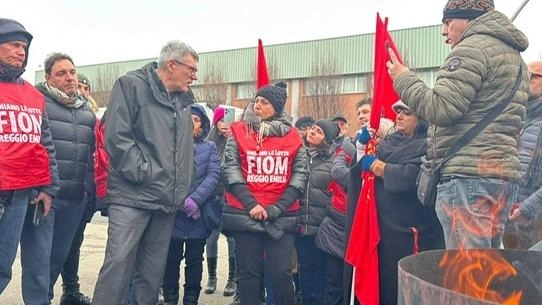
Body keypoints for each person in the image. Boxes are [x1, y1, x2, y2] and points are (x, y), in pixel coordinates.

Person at [386, 0, 530, 249]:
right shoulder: (514, 58)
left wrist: (404, 79)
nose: (444, 31)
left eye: (448, 22)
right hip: (499, 176)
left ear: (469, 19)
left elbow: (441, 108)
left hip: (469, 178)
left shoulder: (471, 49)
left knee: (466, 274)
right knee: (486, 271)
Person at [91, 40, 198, 305]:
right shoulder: (130, 86)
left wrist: (184, 181)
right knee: (118, 267)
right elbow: (117, 138)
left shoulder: (183, 102)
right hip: (132, 196)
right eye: (191, 69)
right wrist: (145, 173)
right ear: (171, 64)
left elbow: (184, 149)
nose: (194, 76)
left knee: (150, 276)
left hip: (166, 201)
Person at [18, 52, 96, 305]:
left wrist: (87, 192)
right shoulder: (37, 104)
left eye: (72, 72)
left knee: (58, 257)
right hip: (45, 197)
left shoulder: (85, 111)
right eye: (61, 73)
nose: (69, 78)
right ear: (49, 77)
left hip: (75, 200)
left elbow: (91, 155)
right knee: (39, 260)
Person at [222, 81, 309, 305]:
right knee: (248, 275)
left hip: (282, 215)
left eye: (264, 102)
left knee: (281, 274)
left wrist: (277, 208)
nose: (257, 105)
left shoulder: (293, 136)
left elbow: (300, 175)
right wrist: (251, 204)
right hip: (245, 212)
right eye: (256, 100)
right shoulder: (239, 132)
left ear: (277, 108)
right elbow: (230, 167)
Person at [359, 101, 445, 305]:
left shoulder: (430, 144)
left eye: (407, 113)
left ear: (421, 118)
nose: (399, 116)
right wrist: (362, 147)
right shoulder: (389, 142)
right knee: (386, 284)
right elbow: (360, 172)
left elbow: (412, 176)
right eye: (397, 111)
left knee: (408, 287)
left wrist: (380, 167)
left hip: (412, 231)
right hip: (384, 229)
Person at [0, 17, 59, 296]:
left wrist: (48, 187)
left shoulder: (34, 96)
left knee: (2, 268)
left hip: (20, 197)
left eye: (23, 47)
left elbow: (44, 145)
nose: (20, 51)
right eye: (13, 45)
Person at [162, 103, 220, 305]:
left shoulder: (210, 147)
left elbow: (213, 176)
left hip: (199, 215)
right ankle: (170, 298)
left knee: (195, 260)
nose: (191, 123)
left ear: (202, 126)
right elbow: (165, 175)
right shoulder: (170, 145)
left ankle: (191, 299)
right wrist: (181, 202)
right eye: (188, 119)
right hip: (174, 215)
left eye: (196, 120)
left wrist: (195, 200)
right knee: (171, 259)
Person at [51, 72, 98, 305]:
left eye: (83, 85)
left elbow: (92, 157)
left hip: (81, 193)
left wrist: (90, 191)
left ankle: (71, 290)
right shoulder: (49, 108)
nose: (80, 88)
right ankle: (43, 296)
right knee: (50, 250)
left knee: (73, 244)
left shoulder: (89, 116)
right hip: (53, 194)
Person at [296, 119, 338, 305]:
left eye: (319, 131)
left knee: (320, 269)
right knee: (304, 267)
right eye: (313, 129)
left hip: (322, 225)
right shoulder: (299, 157)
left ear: (326, 139)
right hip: (301, 224)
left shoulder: (333, 162)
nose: (312, 132)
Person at [506, 60, 542, 248]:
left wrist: (528, 208)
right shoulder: (518, 118)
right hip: (512, 216)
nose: (525, 81)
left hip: (535, 220)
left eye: (532, 76)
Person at [204, 106, 237, 297]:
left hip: (232, 196)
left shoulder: (236, 139)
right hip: (213, 196)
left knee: (232, 238)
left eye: (227, 121)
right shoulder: (210, 142)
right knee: (212, 236)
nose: (224, 125)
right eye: (221, 121)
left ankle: (232, 277)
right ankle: (212, 277)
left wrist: (232, 137)